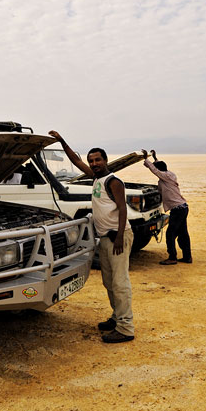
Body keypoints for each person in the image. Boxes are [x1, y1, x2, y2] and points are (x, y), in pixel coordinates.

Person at [48, 130, 134, 343]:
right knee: (109, 281)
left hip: (118, 236)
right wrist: (61, 141)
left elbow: (123, 210)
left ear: (105, 160)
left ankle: (126, 328)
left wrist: (119, 237)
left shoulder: (113, 181)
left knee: (120, 282)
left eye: (97, 160)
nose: (94, 163)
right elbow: (75, 160)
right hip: (105, 237)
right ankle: (116, 317)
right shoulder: (97, 178)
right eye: (91, 160)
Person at [142, 149, 192, 265]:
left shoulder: (165, 176)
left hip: (178, 209)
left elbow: (155, 170)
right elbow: (158, 167)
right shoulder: (169, 175)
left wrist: (146, 159)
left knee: (170, 234)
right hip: (183, 207)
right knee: (183, 233)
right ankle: (187, 257)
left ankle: (172, 257)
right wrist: (155, 158)